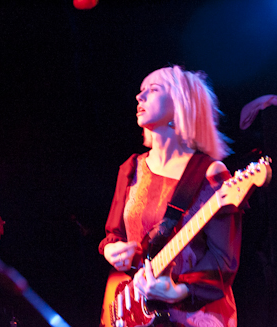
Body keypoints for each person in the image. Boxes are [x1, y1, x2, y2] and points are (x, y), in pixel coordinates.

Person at [99, 65, 242, 326]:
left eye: (152, 90)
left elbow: (224, 260)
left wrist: (180, 291)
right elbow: (114, 234)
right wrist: (112, 249)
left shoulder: (211, 173)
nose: (139, 97)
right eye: (141, 91)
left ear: (180, 105)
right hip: (133, 310)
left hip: (194, 312)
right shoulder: (131, 168)